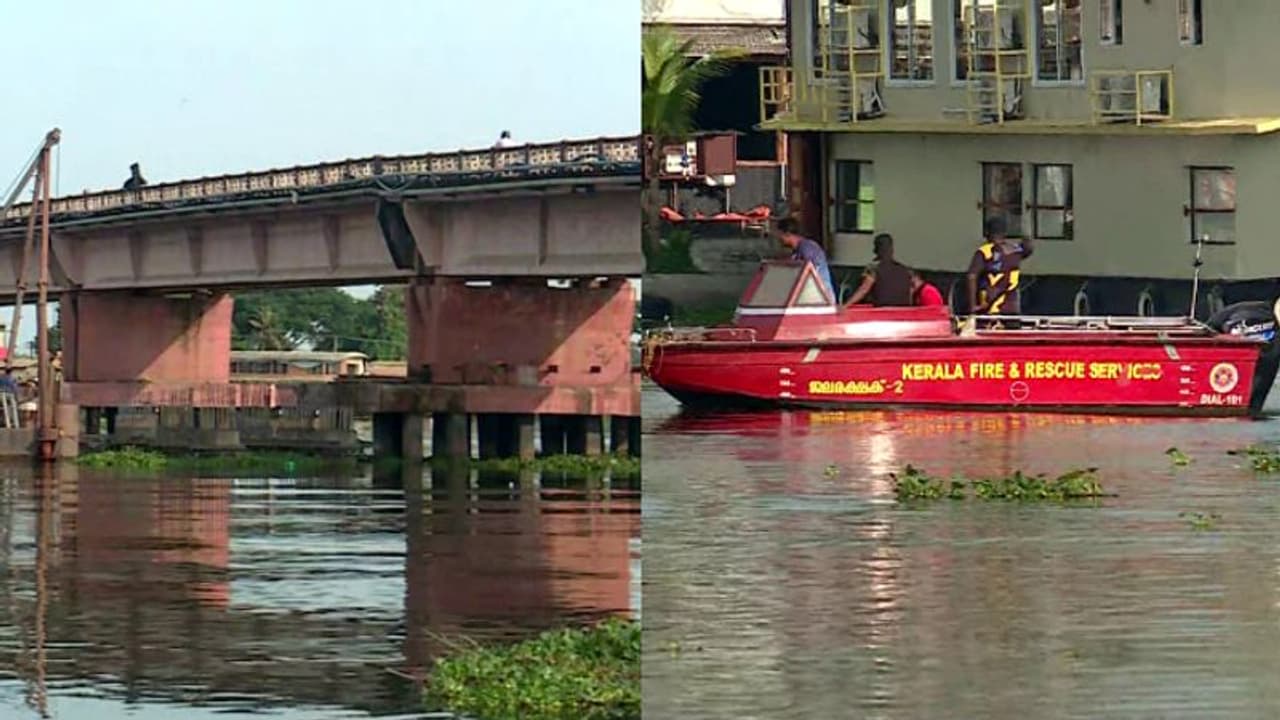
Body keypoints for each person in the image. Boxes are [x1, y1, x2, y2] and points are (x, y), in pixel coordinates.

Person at [967, 216, 1033, 316]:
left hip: (991, 307)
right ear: (1004, 233)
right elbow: (1028, 248)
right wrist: (1026, 236)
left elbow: (971, 276)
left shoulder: (985, 251)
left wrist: (972, 306)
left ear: (987, 232)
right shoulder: (1015, 251)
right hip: (1012, 307)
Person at [844, 233, 913, 307]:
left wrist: (846, 305)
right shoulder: (905, 270)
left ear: (877, 251)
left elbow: (863, 290)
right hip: (903, 312)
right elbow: (911, 293)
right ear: (892, 249)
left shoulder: (874, 270)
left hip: (882, 313)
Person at [775, 217, 836, 301]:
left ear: (787, 234)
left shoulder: (807, 247)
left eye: (779, 234)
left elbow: (810, 270)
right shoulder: (796, 252)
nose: (778, 238)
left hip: (821, 298)